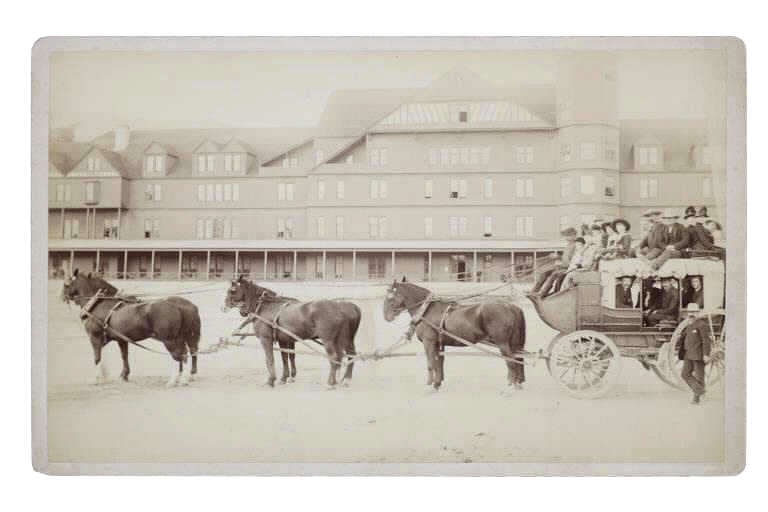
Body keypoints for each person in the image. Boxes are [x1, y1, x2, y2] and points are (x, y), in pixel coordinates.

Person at [676, 303, 713, 404]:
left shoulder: (702, 325)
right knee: (684, 374)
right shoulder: (689, 324)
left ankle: (696, 399)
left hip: (698, 355)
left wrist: (706, 354)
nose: (691, 314)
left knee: (699, 377)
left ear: (698, 313)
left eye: (693, 312)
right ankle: (700, 391)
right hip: (688, 354)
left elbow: (706, 340)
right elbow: (684, 337)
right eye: (690, 312)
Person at [530, 227, 578, 294]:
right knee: (544, 273)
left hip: (568, 268)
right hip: (563, 266)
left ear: (574, 235)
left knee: (554, 274)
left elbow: (573, 260)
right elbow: (565, 258)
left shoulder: (576, 245)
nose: (566, 238)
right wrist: (558, 257)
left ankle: (544, 292)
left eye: (568, 236)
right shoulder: (568, 245)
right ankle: (534, 291)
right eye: (566, 236)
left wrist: (560, 262)